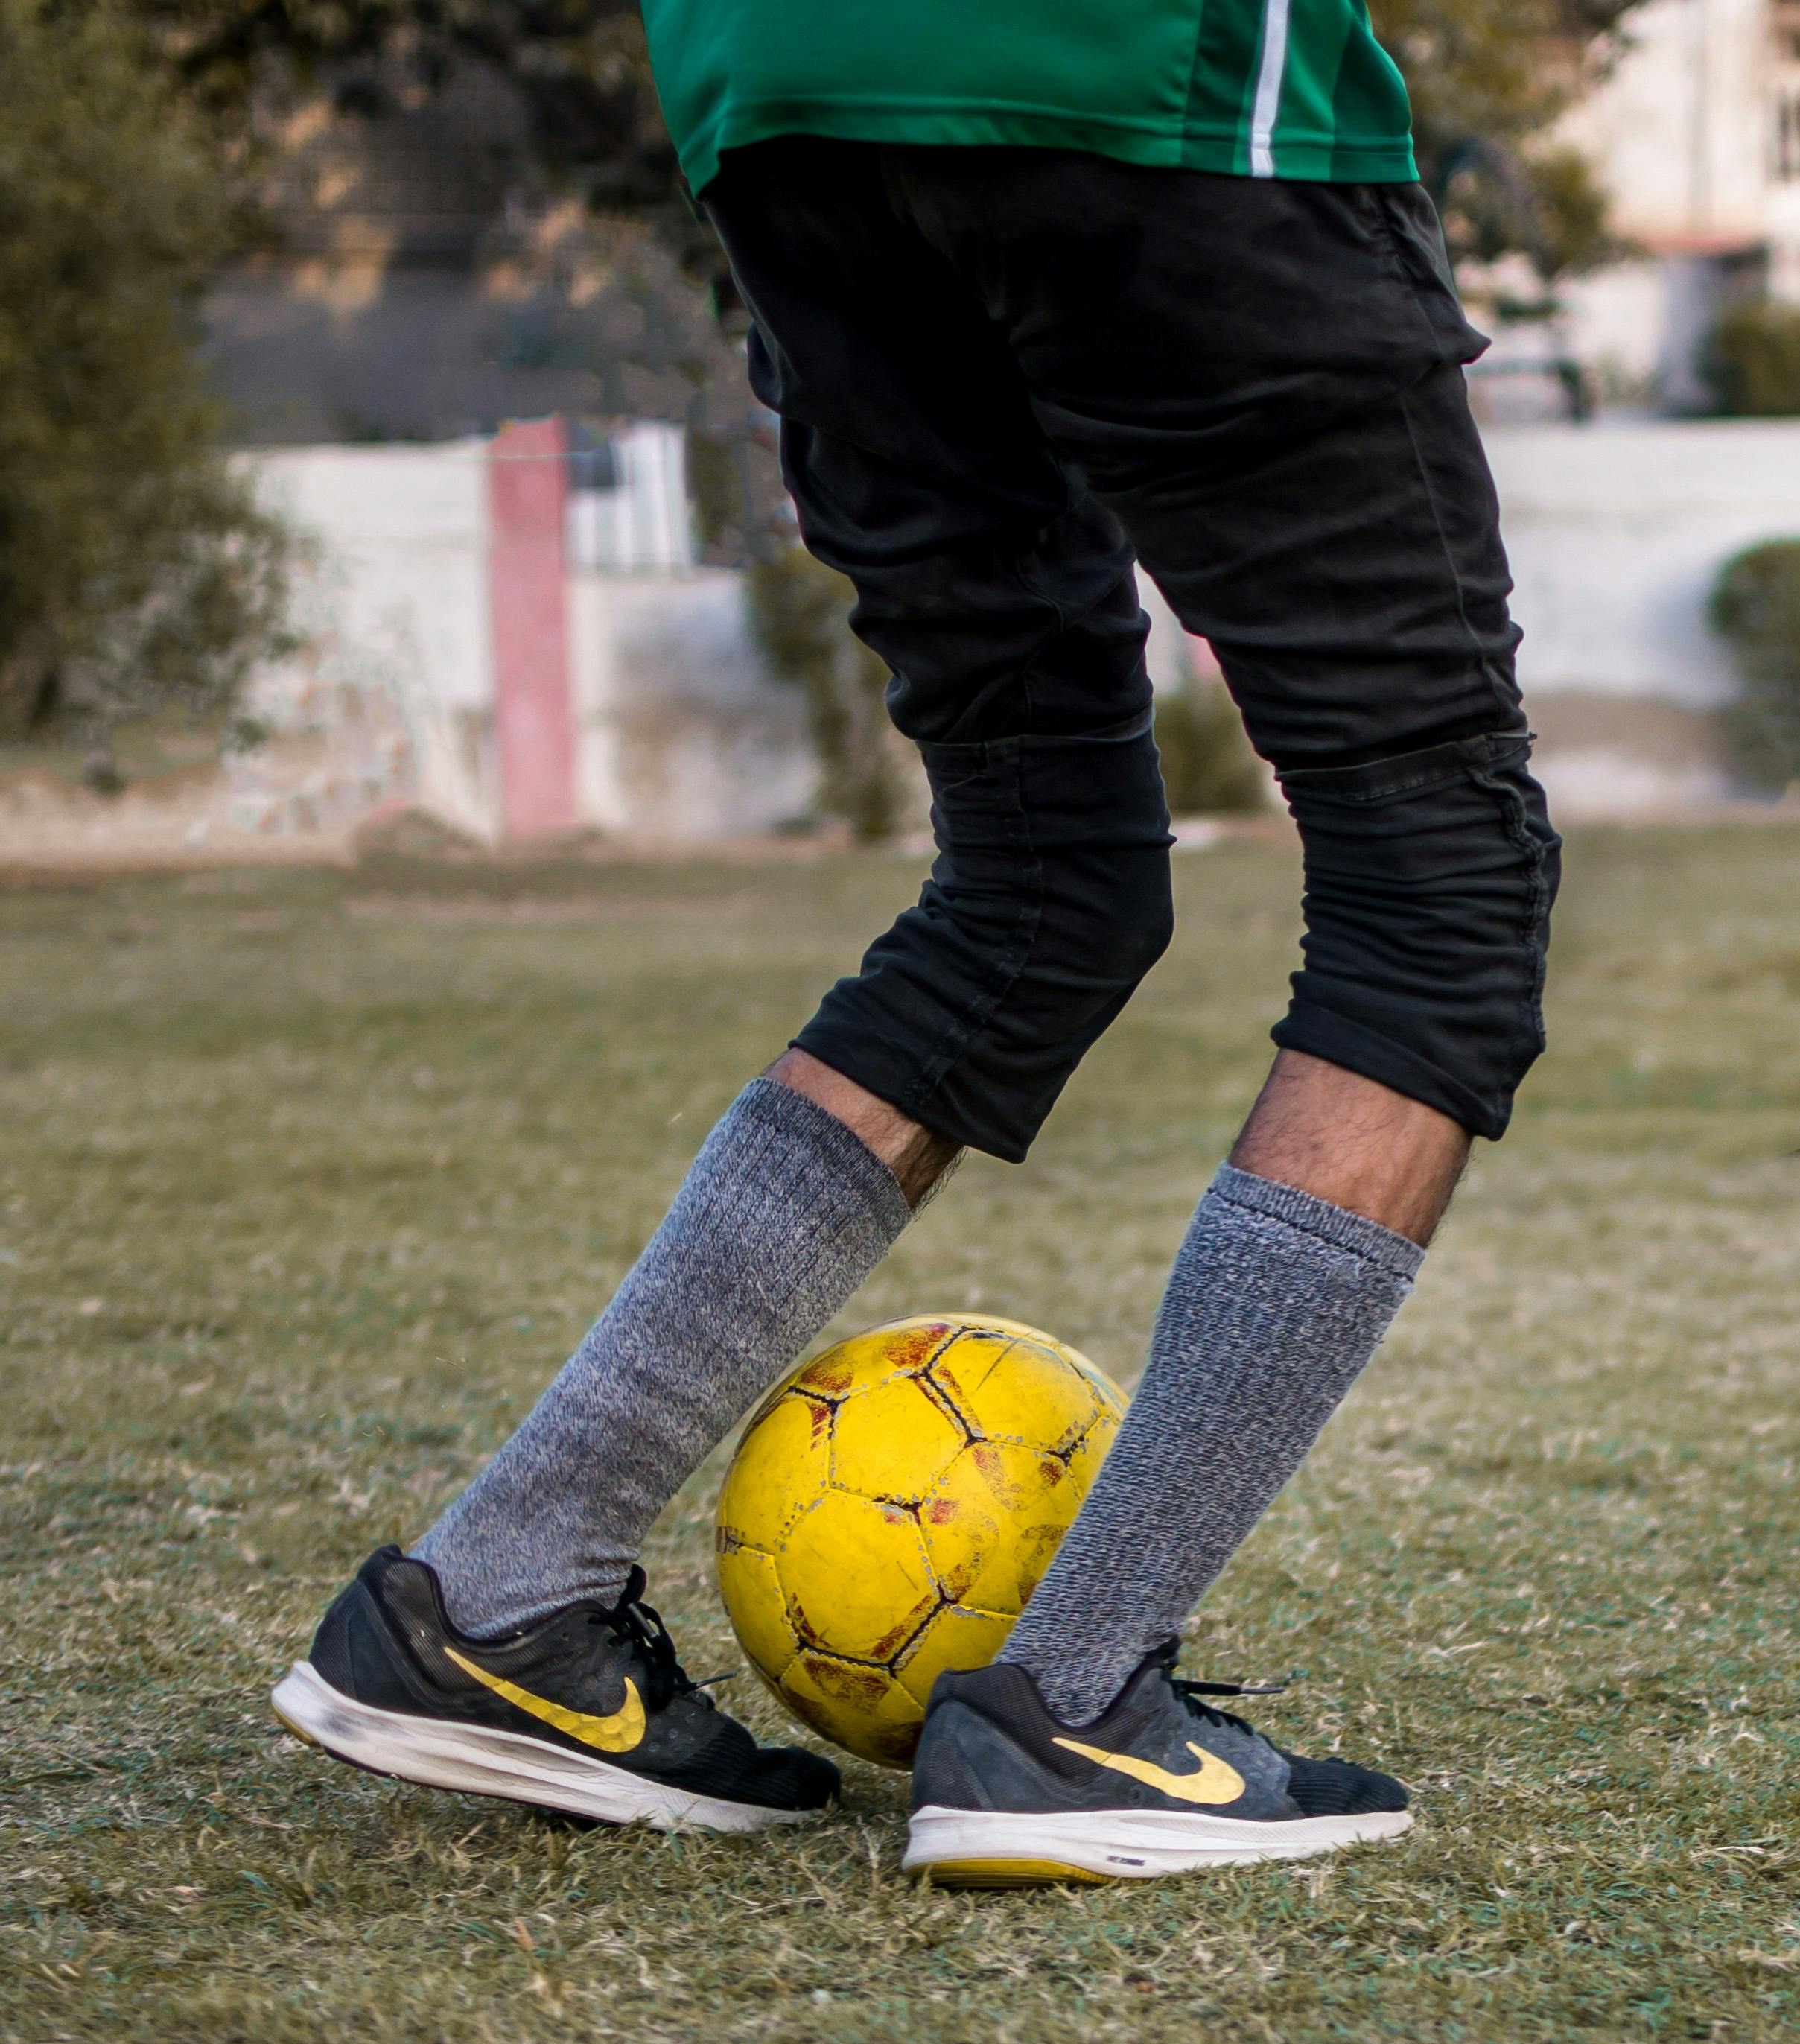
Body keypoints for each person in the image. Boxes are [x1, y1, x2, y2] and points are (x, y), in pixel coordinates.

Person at [271, 0, 1560, 1885]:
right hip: (1144, 79)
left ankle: (496, 1588)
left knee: (1039, 878)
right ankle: (1081, 1707)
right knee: (1438, 877)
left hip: (779, 91)